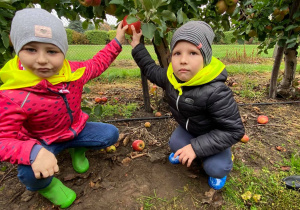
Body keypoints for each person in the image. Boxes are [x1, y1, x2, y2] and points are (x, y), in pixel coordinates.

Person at [0, 8, 128, 208]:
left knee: (110, 134)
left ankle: (77, 148)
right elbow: (3, 139)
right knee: (29, 174)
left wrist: (119, 39)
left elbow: (97, 63)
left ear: (63, 51)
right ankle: (47, 187)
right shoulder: (14, 94)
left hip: (74, 130)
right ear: (16, 46)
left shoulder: (72, 73)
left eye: (52, 51)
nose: (42, 59)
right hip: (43, 142)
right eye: (31, 49)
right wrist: (32, 152)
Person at [129, 21, 245, 190]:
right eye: (177, 53)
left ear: (205, 58)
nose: (183, 60)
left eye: (192, 53)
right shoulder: (171, 78)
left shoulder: (216, 91)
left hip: (214, 134)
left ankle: (223, 159)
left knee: (215, 168)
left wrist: (196, 148)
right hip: (190, 129)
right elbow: (150, 69)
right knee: (175, 144)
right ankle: (195, 151)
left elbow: (234, 130)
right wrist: (137, 46)